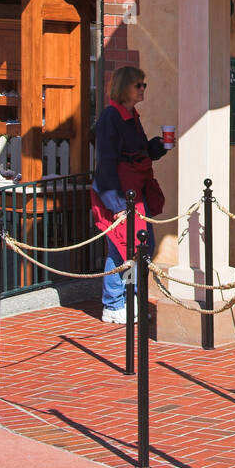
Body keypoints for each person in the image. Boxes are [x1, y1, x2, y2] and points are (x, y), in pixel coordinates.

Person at [92, 66, 168, 325]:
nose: (143, 89)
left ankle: (130, 297)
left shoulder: (131, 116)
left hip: (135, 192)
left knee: (140, 248)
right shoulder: (110, 118)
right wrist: (116, 205)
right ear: (125, 87)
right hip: (120, 195)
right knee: (120, 248)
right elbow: (107, 162)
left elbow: (137, 152)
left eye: (144, 84)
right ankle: (113, 303)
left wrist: (156, 147)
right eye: (139, 85)